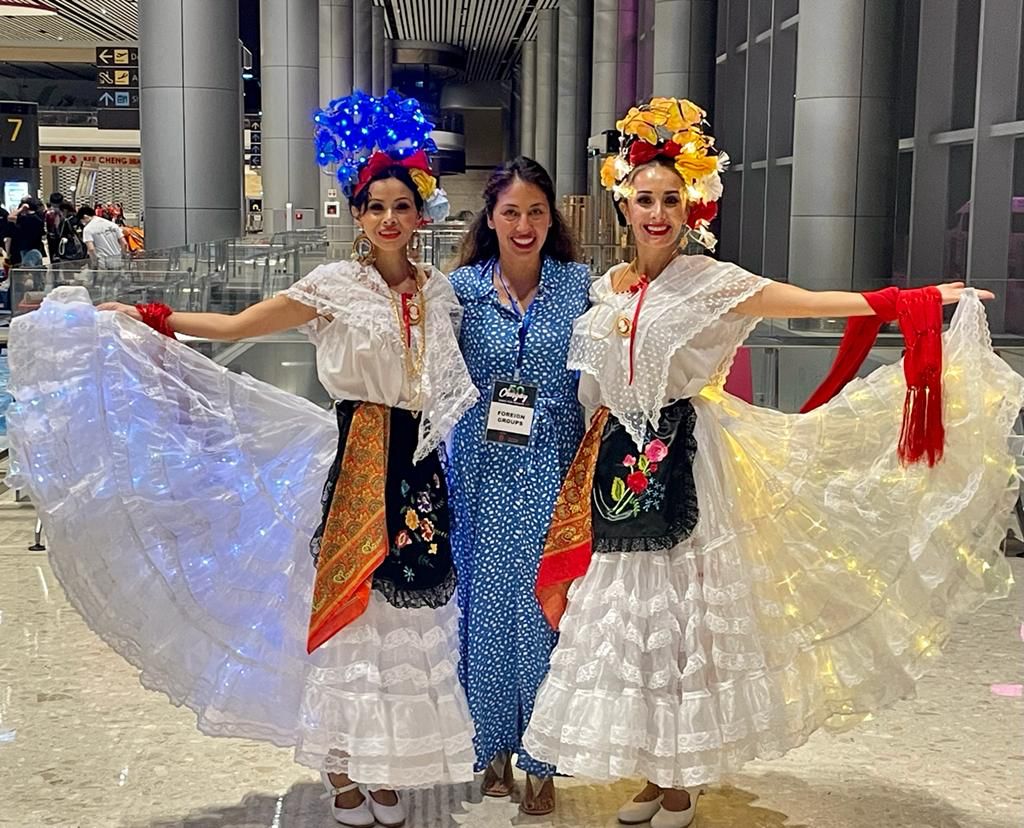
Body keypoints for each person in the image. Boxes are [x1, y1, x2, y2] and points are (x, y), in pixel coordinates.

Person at [520, 97, 1024, 828]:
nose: (656, 212)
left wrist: (917, 301)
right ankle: (656, 774)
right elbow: (596, 392)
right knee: (630, 627)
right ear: (623, 203)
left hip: (692, 465)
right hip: (621, 474)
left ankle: (685, 778)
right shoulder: (608, 293)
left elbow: (820, 300)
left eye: (670, 198)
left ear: (692, 205)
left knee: (688, 625)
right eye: (643, 199)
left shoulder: (716, 284)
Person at [6, 91, 475, 828]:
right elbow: (235, 323)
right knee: (348, 619)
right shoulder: (333, 289)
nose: (388, 219)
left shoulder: (439, 292)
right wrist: (150, 317)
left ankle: (384, 764)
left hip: (418, 472)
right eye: (375, 206)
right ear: (356, 215)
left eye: (402, 206)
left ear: (422, 214)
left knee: (403, 621)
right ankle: (342, 769)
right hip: (353, 464)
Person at [447, 158, 590, 815]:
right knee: (483, 607)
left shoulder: (578, 286)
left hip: (554, 465)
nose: (524, 224)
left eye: (536, 211)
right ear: (491, 217)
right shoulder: (464, 289)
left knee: (543, 606)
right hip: (482, 466)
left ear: (550, 218)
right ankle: (491, 749)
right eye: (511, 212)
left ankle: (541, 755)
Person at [78, 205, 127, 270]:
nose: (83, 223)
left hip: (102, 263)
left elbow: (91, 249)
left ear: (85, 216)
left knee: (103, 280)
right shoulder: (112, 224)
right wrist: (122, 257)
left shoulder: (88, 229)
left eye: (82, 220)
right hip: (117, 260)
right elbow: (124, 243)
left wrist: (94, 264)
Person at [7, 197, 46, 268]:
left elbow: (10, 217)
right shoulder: (39, 218)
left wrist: (21, 208)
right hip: (37, 248)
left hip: (27, 249)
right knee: (37, 272)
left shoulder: (26, 219)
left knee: (27, 272)